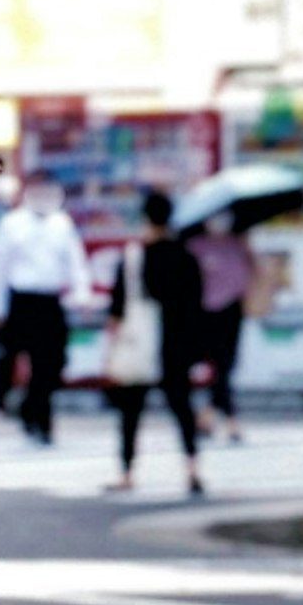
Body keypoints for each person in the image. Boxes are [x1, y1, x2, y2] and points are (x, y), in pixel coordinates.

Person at [99, 188, 208, 497]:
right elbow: (196, 307)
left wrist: (110, 351)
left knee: (131, 410)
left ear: (145, 217)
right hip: (176, 344)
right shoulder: (186, 258)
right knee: (182, 407)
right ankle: (192, 469)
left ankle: (127, 472)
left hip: (139, 344)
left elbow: (117, 309)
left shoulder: (134, 258)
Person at [0, 169, 89, 444]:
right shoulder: (12, 224)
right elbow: (0, 267)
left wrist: (82, 293)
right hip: (22, 301)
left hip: (50, 302)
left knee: (51, 364)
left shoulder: (62, 224)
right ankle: (22, 409)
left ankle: (38, 414)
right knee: (13, 359)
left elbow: (75, 261)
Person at [188, 207, 259, 432]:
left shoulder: (237, 244)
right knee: (218, 366)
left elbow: (252, 273)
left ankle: (211, 415)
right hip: (205, 312)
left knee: (227, 365)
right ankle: (226, 420)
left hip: (232, 310)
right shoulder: (196, 246)